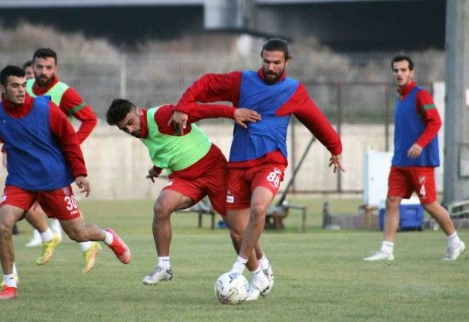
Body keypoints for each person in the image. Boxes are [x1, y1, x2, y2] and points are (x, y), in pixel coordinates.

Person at [173, 38, 344, 301]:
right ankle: (261, 271)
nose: (271, 67)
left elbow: (315, 120)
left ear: (287, 62)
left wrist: (335, 147)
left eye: (276, 62)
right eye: (266, 61)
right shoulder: (242, 82)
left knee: (259, 208)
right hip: (239, 164)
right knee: (236, 230)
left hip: (270, 162)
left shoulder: (294, 90)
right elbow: (206, 83)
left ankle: (237, 270)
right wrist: (183, 107)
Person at [0, 65, 131, 300]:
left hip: (53, 180)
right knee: (3, 225)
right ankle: (9, 284)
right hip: (20, 183)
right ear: (3, 88)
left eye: (24, 85)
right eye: (15, 86)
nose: (21, 91)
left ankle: (108, 237)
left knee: (78, 234)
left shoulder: (46, 108)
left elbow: (69, 140)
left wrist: (80, 173)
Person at [105, 98, 266, 286]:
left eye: (130, 123)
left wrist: (233, 113)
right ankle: (163, 266)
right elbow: (168, 146)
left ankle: (262, 266)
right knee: (161, 207)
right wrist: (156, 169)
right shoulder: (141, 130)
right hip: (186, 179)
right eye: (124, 129)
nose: (130, 130)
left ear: (138, 111)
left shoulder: (162, 115)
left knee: (238, 229)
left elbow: (200, 110)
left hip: (213, 170)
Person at [363, 55, 465, 261]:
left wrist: (420, 143)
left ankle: (455, 242)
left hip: (421, 163)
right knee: (392, 201)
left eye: (403, 70)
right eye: (396, 70)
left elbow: (435, 122)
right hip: (400, 162)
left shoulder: (421, 95)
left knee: (429, 204)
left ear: (412, 72)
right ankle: (386, 249)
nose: (399, 74)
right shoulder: (399, 98)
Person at [23, 48, 100, 274]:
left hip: (52, 163)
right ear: (32, 67)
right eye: (40, 67)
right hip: (27, 160)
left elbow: (90, 119)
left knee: (62, 210)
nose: (44, 71)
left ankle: (87, 243)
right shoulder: (23, 88)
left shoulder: (63, 92)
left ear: (56, 69)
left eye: (49, 67)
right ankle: (49, 237)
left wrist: (71, 144)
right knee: (21, 203)